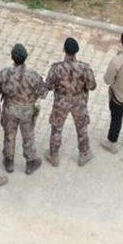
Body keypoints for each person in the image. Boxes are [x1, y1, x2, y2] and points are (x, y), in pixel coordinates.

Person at [0, 43, 47, 175]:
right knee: (28, 136)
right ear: (26, 57)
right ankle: (30, 162)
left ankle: (9, 161)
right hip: (27, 111)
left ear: (12, 58)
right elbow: (43, 93)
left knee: (9, 135)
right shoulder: (33, 75)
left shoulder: (5, 73)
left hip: (10, 109)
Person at [45, 37, 97, 167]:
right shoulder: (84, 68)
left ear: (64, 50)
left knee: (56, 128)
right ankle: (84, 154)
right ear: (77, 51)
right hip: (79, 101)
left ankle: (54, 155)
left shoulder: (56, 68)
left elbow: (48, 86)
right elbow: (92, 86)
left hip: (61, 102)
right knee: (82, 128)